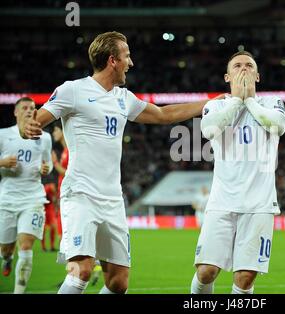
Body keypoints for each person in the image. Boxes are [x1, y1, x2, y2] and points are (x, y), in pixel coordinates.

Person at [19, 31, 221, 294]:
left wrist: (211, 103)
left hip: (112, 198)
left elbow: (163, 114)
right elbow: (38, 119)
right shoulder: (73, 90)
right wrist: (27, 127)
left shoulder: (123, 98)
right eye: (127, 56)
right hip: (81, 193)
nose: (131, 62)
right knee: (81, 271)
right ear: (113, 60)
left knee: (118, 283)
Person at [190, 51, 285, 294]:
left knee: (245, 278)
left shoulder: (272, 102)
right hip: (222, 201)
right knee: (206, 271)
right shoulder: (216, 105)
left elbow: (278, 125)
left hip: (259, 204)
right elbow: (209, 129)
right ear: (227, 76)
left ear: (258, 76)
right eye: (237, 66)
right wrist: (236, 100)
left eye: (249, 65)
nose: (243, 69)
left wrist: (249, 100)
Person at [0, 97, 53, 293]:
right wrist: (3, 163)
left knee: (26, 246)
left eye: (33, 107)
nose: (30, 110)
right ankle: (7, 259)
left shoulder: (44, 138)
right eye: (25, 107)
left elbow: (47, 165)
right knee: (6, 249)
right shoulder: (3, 135)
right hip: (6, 199)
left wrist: (46, 169)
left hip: (33, 198)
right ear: (15, 112)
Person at [51, 124, 68, 238]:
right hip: (63, 192)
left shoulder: (71, 150)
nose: (53, 133)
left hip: (69, 194)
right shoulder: (64, 151)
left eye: (56, 130)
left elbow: (69, 173)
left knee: (65, 232)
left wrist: (55, 163)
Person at [41, 182, 58, 252]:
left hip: (50, 208)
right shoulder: (47, 187)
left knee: (53, 227)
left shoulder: (52, 189)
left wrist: (56, 207)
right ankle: (43, 247)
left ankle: (52, 246)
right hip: (43, 208)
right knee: (43, 229)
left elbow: (54, 198)